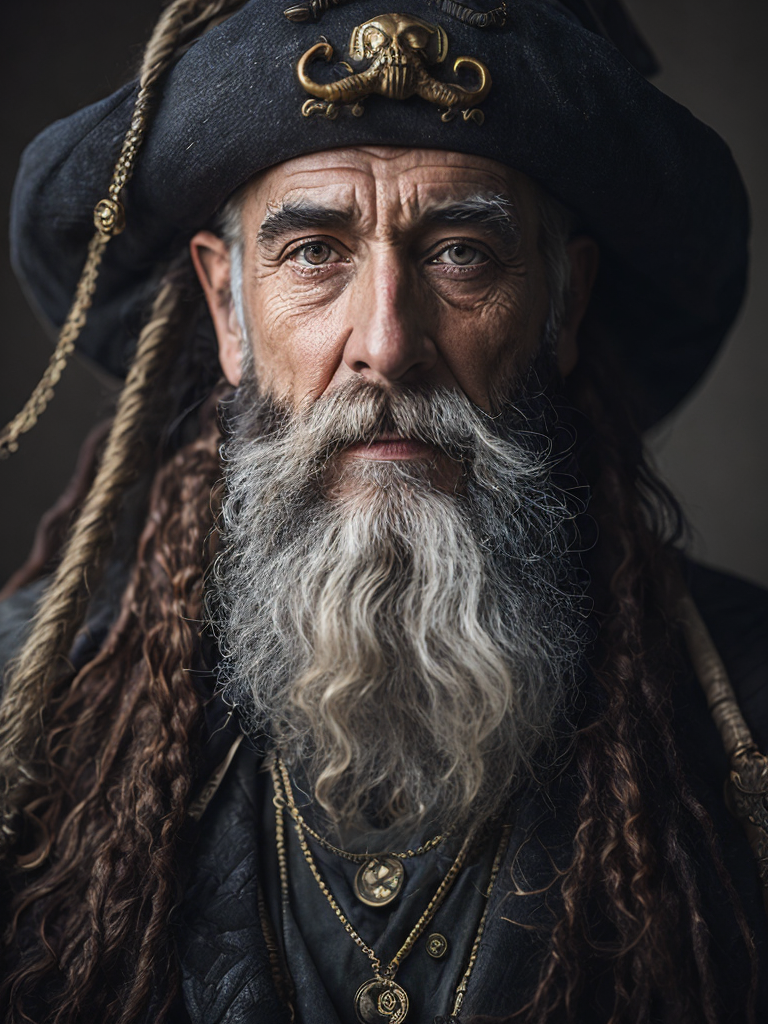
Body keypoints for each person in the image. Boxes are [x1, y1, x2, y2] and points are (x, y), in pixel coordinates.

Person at [0, 1, 766, 1022]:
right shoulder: (25, 715)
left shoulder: (749, 711)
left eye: (462, 252)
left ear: (563, 304)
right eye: (315, 250)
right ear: (228, 308)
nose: (386, 341)